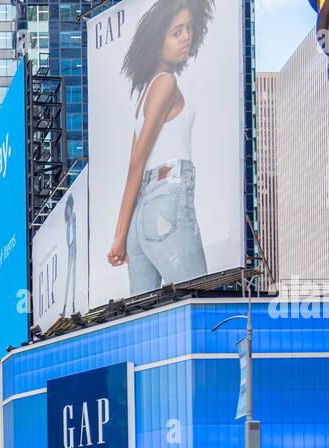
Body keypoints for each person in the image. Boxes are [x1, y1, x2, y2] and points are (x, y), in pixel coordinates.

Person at [107, 0, 214, 293]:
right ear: (158, 43)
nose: (186, 37)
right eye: (176, 32)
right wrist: (118, 237)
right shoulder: (165, 83)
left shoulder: (144, 97)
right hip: (168, 203)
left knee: (147, 326)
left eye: (189, 29)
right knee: (200, 302)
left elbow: (135, 171)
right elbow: (136, 165)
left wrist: (123, 235)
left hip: (143, 219)